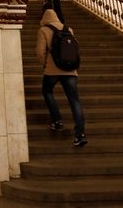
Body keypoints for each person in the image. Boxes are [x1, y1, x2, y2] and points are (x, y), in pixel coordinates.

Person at [36, 8, 87, 147]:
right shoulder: (68, 29)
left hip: (52, 69)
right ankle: (80, 134)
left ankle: (57, 120)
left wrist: (45, 64)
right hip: (70, 70)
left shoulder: (44, 30)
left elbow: (41, 52)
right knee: (74, 100)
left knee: (47, 91)